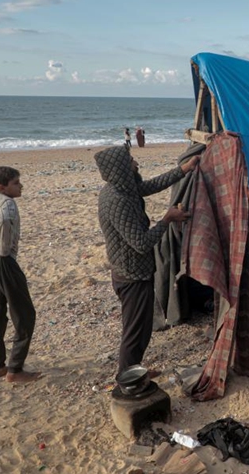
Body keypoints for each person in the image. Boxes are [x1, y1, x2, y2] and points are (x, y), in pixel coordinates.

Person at [94, 145, 200, 378]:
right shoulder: (117, 200)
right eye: (131, 160)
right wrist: (167, 219)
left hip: (134, 270)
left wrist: (183, 169)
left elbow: (149, 186)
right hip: (131, 274)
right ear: (121, 168)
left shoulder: (123, 188)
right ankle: (127, 379)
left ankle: (134, 370)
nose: (136, 163)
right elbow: (141, 243)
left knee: (141, 329)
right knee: (134, 331)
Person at [0, 166, 41, 383]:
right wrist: (5, 251)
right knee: (25, 315)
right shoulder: (8, 204)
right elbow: (6, 221)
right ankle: (15, 369)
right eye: (16, 183)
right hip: (2, 259)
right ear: (1, 187)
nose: (20, 186)